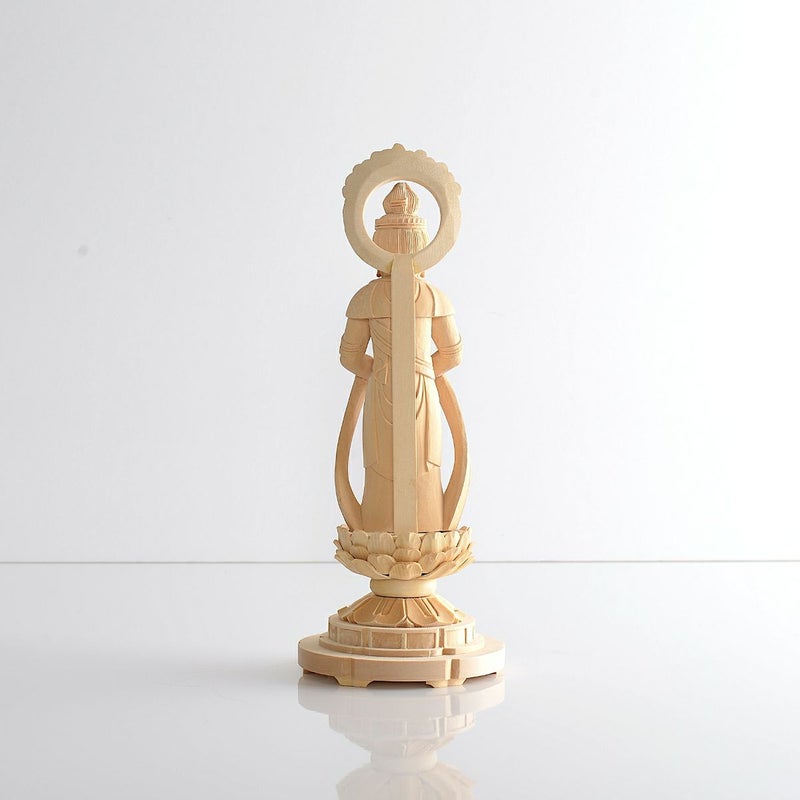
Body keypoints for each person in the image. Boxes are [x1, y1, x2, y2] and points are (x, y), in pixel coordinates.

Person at [339, 182, 463, 532]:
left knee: (403, 468)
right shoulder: (432, 296)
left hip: (383, 388)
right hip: (421, 388)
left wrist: (381, 370)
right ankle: (416, 536)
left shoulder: (366, 298)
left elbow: (350, 357)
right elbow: (451, 354)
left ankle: (398, 536)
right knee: (411, 467)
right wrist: (422, 370)